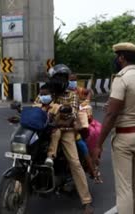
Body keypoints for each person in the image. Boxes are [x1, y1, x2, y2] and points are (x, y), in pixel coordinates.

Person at [93, 42, 135, 214]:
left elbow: (111, 116)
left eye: (117, 57)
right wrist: (112, 107)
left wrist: (98, 144)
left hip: (125, 138)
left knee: (124, 188)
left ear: (122, 58)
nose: (116, 60)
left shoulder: (121, 78)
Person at [46, 64, 94, 214]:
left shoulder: (72, 94)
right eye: (56, 77)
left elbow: (71, 114)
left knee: (75, 163)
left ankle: (86, 202)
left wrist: (54, 111)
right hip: (47, 129)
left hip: (66, 131)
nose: (59, 80)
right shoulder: (47, 91)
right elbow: (38, 106)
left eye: (62, 77)